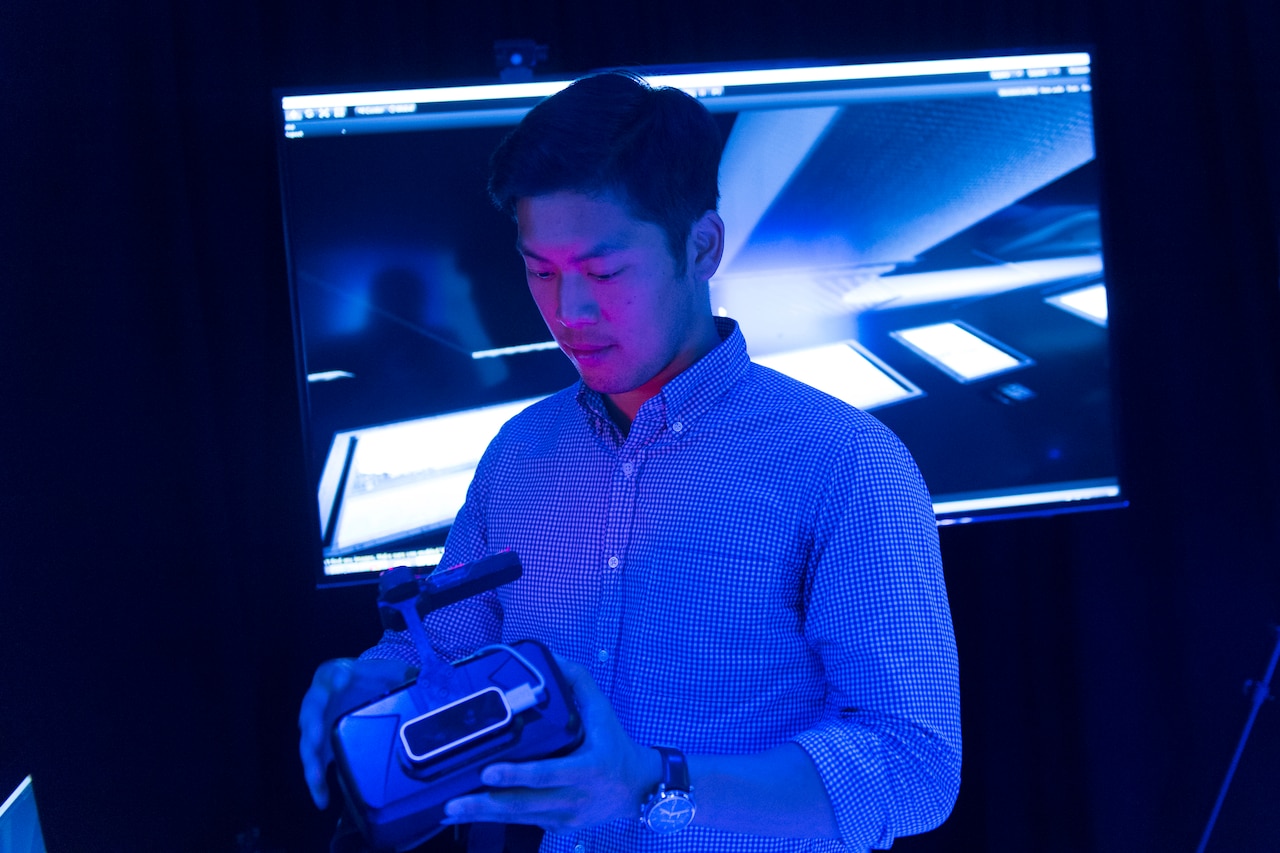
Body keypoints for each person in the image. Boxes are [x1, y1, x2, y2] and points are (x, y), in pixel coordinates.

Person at [299, 71, 961, 853]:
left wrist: (652, 779)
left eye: (604, 272)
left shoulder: (844, 463)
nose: (567, 312)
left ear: (703, 246)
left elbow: (914, 765)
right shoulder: (520, 453)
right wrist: (373, 681)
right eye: (540, 270)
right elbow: (440, 647)